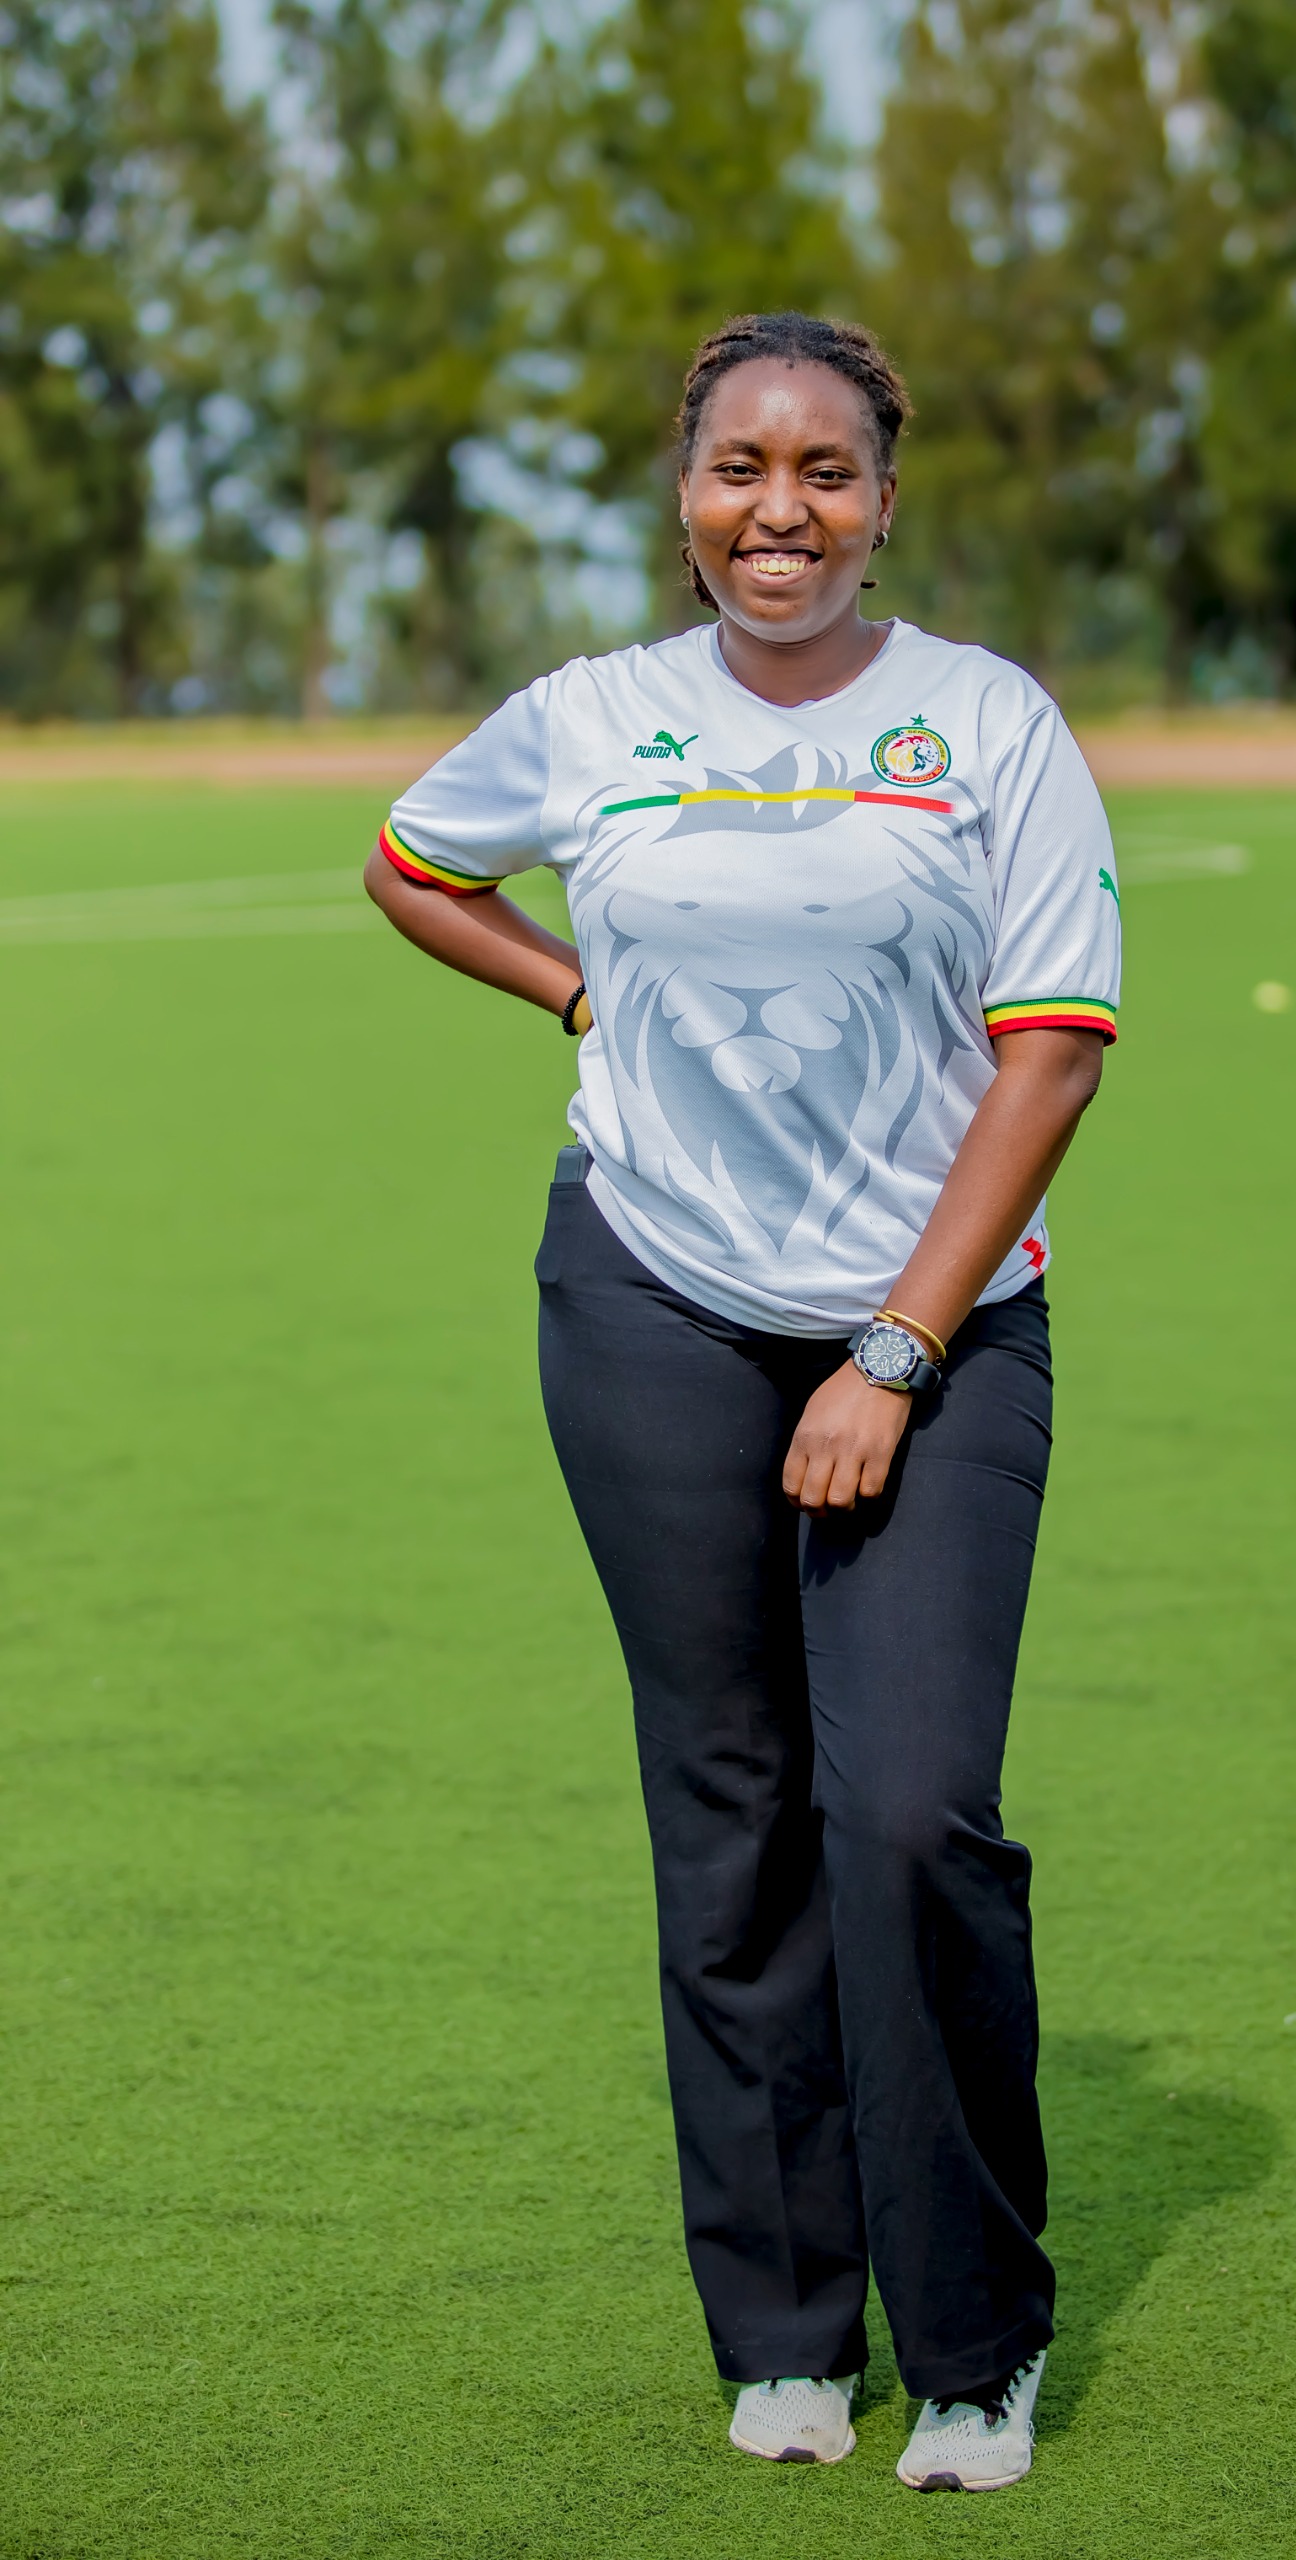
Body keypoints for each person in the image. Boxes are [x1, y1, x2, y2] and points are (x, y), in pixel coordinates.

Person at [365, 311, 1120, 2495]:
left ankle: (973, 2342)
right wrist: (570, 989)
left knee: (908, 1816)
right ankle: (786, 2324)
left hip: (932, 1329)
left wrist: (893, 1350)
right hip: (650, 1299)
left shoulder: (988, 720)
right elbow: (412, 862)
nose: (777, 509)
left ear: (883, 499)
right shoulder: (589, 715)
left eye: (823, 471)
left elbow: (1051, 1053)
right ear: (683, 493)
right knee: (727, 1807)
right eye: (737, 469)